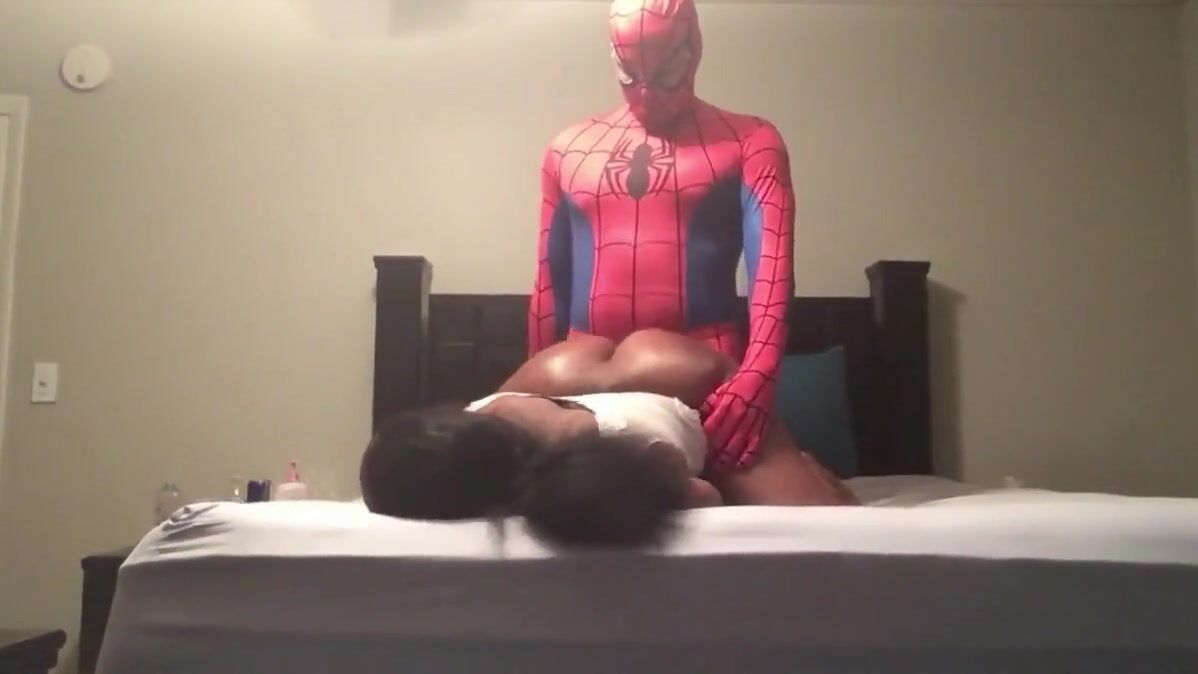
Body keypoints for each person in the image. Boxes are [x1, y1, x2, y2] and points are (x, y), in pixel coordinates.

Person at [528, 0, 796, 473]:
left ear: (693, 49)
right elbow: (549, 285)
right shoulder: (567, 149)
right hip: (583, 376)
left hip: (702, 376)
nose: (646, 94)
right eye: (629, 74)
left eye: (665, 73)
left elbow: (772, 272)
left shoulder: (750, 141)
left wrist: (759, 375)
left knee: (806, 499)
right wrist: (538, 396)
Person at [359, 330, 856, 549]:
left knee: (830, 522)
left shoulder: (597, 466)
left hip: (690, 381)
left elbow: (704, 493)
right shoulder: (484, 425)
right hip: (552, 376)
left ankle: (808, 463)